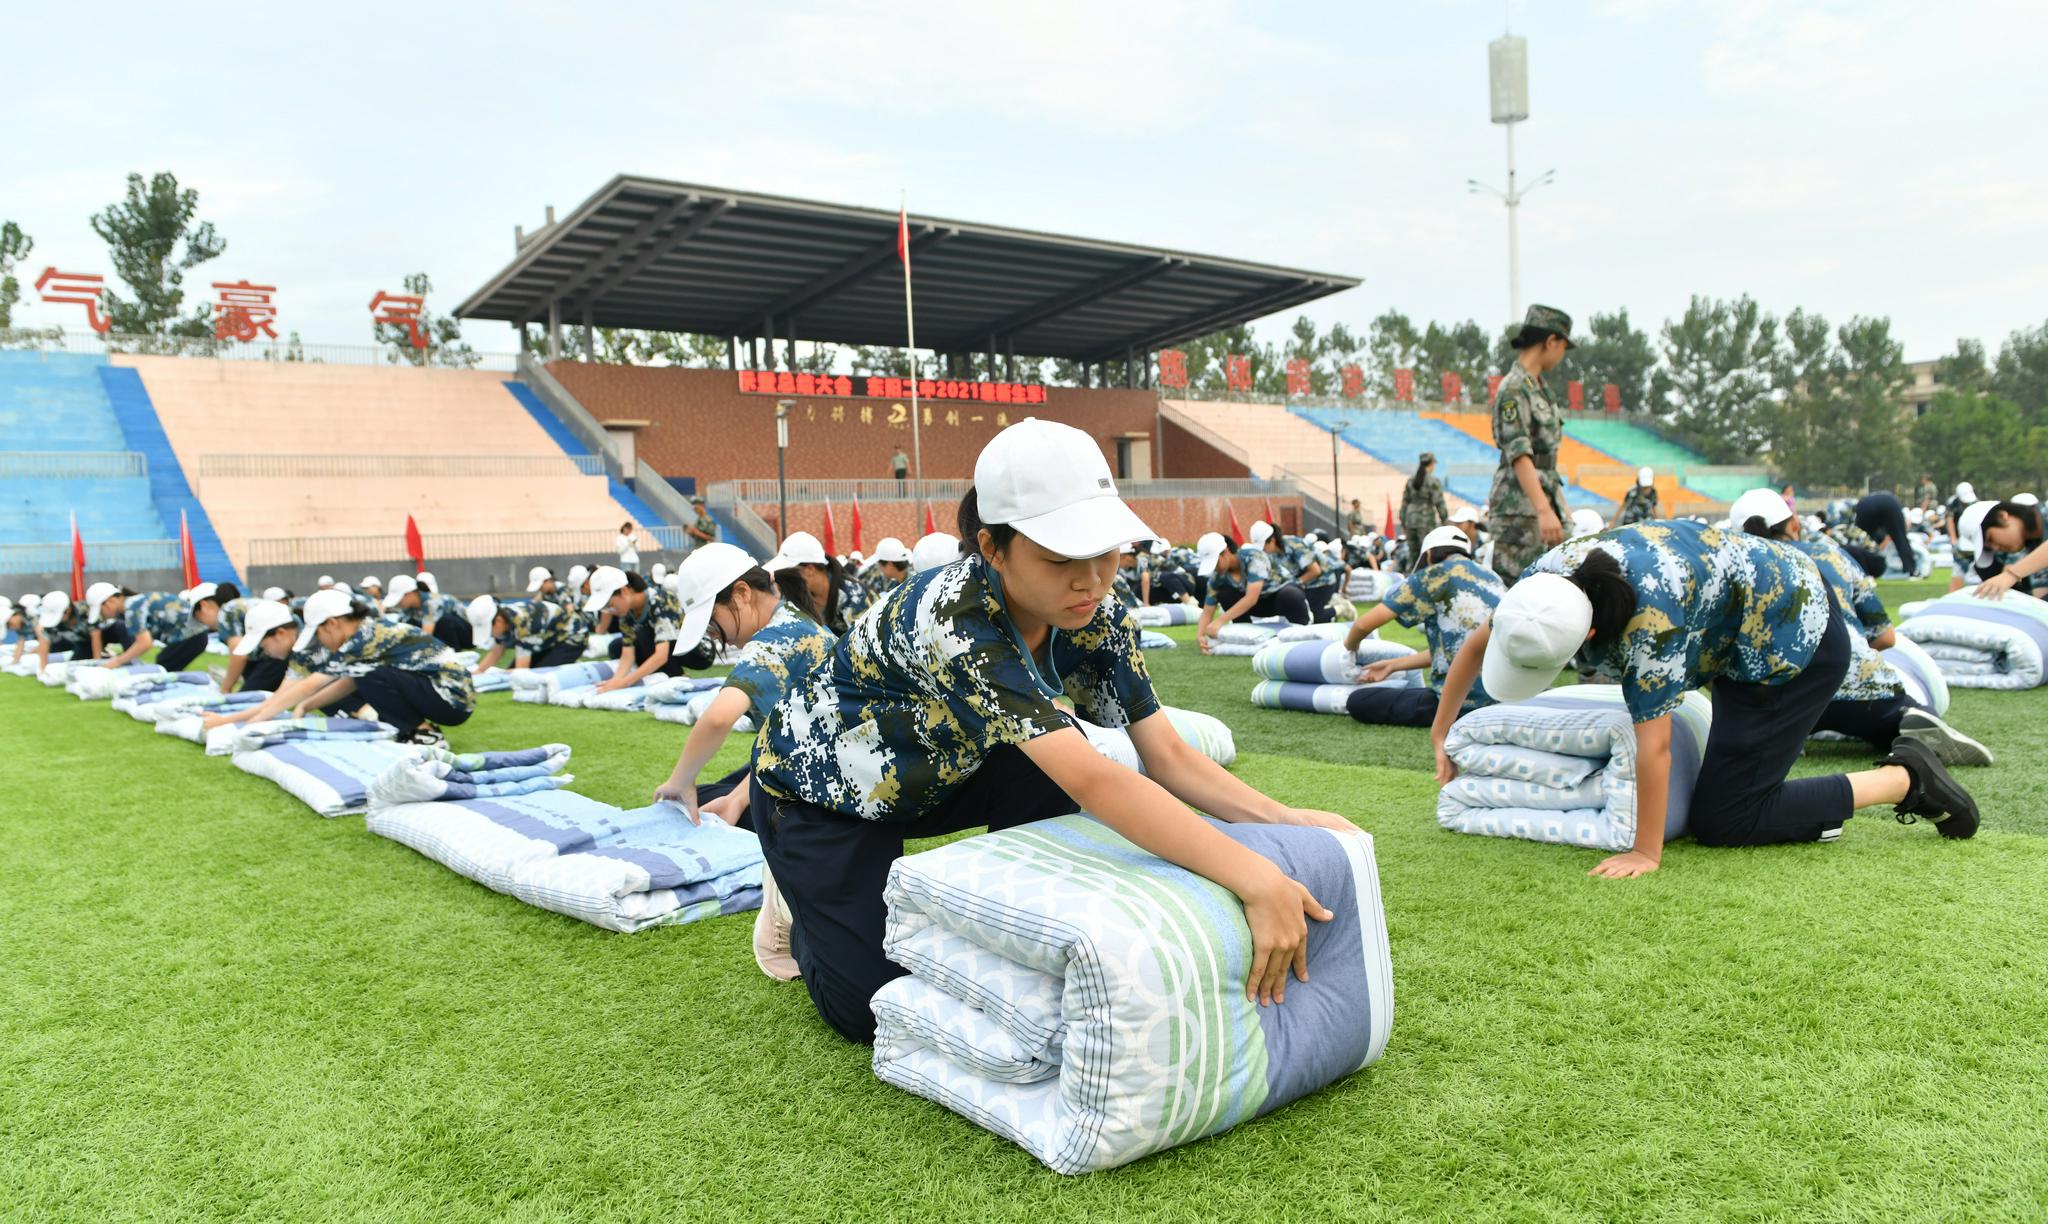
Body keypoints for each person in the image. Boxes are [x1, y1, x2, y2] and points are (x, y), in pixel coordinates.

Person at [748, 417, 1353, 1042]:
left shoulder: (1099, 615)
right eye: (1060, 558)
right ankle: (796, 900)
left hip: (947, 766)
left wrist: (1282, 818)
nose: (1090, 579)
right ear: (991, 547)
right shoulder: (953, 613)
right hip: (826, 794)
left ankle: (1022, 912)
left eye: (1105, 552)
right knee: (871, 1009)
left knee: (1048, 755)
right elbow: (1095, 782)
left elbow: (1164, 753)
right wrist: (1253, 877)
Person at [1431, 519, 1979, 880]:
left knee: (1727, 818)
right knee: (1731, 783)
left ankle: (1905, 777)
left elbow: (1655, 749)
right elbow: (1482, 639)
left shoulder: (1653, 629)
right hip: (1736, 619)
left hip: (1793, 643)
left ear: (1592, 636)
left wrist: (1646, 852)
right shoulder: (1543, 586)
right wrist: (1441, 734)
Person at [1730, 488, 1990, 763]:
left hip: (1782, 702)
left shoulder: (1740, 571)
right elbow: (1886, 637)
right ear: (1794, 523)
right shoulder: (1832, 555)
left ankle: (1778, 735)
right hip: (1861, 690)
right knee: (1897, 710)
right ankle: (1904, 718)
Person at [203, 590, 474, 745]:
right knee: (361, 678)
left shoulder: (363, 638)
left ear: (332, 624)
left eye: (319, 632)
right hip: (442, 695)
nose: (319, 640)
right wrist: (303, 706)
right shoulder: (361, 636)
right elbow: (343, 682)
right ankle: (412, 729)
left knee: (369, 676)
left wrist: (250, 726)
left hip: (451, 698)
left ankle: (424, 734)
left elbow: (313, 685)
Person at [1341, 525, 1505, 726]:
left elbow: (1362, 626)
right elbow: (1459, 649)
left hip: (1459, 704)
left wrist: (1349, 648)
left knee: (1359, 701)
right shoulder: (1493, 578)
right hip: (1501, 696)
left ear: (1428, 555)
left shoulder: (1435, 574)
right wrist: (1392, 665)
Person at [1486, 305, 1575, 585]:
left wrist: (1556, 507)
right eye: (1562, 347)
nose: (1561, 356)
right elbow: (1519, 453)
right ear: (1551, 342)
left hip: (1541, 496)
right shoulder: (1514, 388)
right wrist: (1543, 510)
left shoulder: (1539, 388)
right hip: (1520, 509)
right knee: (1520, 595)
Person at [587, 565, 703, 693]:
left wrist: (625, 682)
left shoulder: (660, 600)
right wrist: (615, 680)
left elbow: (661, 655)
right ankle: (660, 673)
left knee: (644, 634)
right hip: (666, 648)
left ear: (624, 591)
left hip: (696, 650)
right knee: (616, 647)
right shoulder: (626, 615)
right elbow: (627, 655)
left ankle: (677, 676)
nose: (611, 611)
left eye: (610, 605)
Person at [1195, 528, 1312, 651]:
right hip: (1257, 607)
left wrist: (1219, 621)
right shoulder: (1217, 577)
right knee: (1225, 594)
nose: (1215, 569)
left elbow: (1251, 598)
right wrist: (1200, 635)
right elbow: (1207, 612)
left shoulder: (1253, 557)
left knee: (1290, 594)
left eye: (1216, 563)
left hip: (1280, 598)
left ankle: (1304, 632)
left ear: (1225, 552)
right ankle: (1245, 635)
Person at [466, 595, 590, 672]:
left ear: (498, 621)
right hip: (547, 638)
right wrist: (479, 672)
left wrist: (502, 674)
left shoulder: (523, 622)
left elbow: (521, 670)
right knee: (513, 671)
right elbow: (497, 651)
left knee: (539, 674)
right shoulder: (504, 617)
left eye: (489, 630)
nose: (490, 635)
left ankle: (571, 662)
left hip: (573, 636)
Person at [1957, 499, 2048, 599]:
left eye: (1990, 539)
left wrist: (2011, 575)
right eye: (1989, 548)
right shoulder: (2032, 549)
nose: (1996, 548)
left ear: (2002, 516)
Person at [766, 531, 845, 634]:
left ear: (809, 570)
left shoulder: (853, 597)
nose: (785, 579)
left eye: (788, 573)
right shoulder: (796, 595)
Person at [1398, 453, 1449, 569]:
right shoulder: (1433, 481)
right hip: (1425, 520)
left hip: (1410, 520)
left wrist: (1403, 522)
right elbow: (1439, 503)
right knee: (1427, 552)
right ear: (1431, 464)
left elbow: (1405, 502)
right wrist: (1445, 522)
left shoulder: (1411, 480)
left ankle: (1411, 579)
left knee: (1413, 554)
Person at [1852, 490, 1916, 577]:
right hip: (1890, 503)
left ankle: (1861, 570)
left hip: (1866, 508)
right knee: (1900, 538)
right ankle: (1911, 569)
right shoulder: (1888, 498)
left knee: (1864, 541)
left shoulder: (1862, 504)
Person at [860, 537, 914, 602]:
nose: (880, 569)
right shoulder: (896, 581)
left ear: (890, 564)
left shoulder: (914, 585)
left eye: (880, 565)